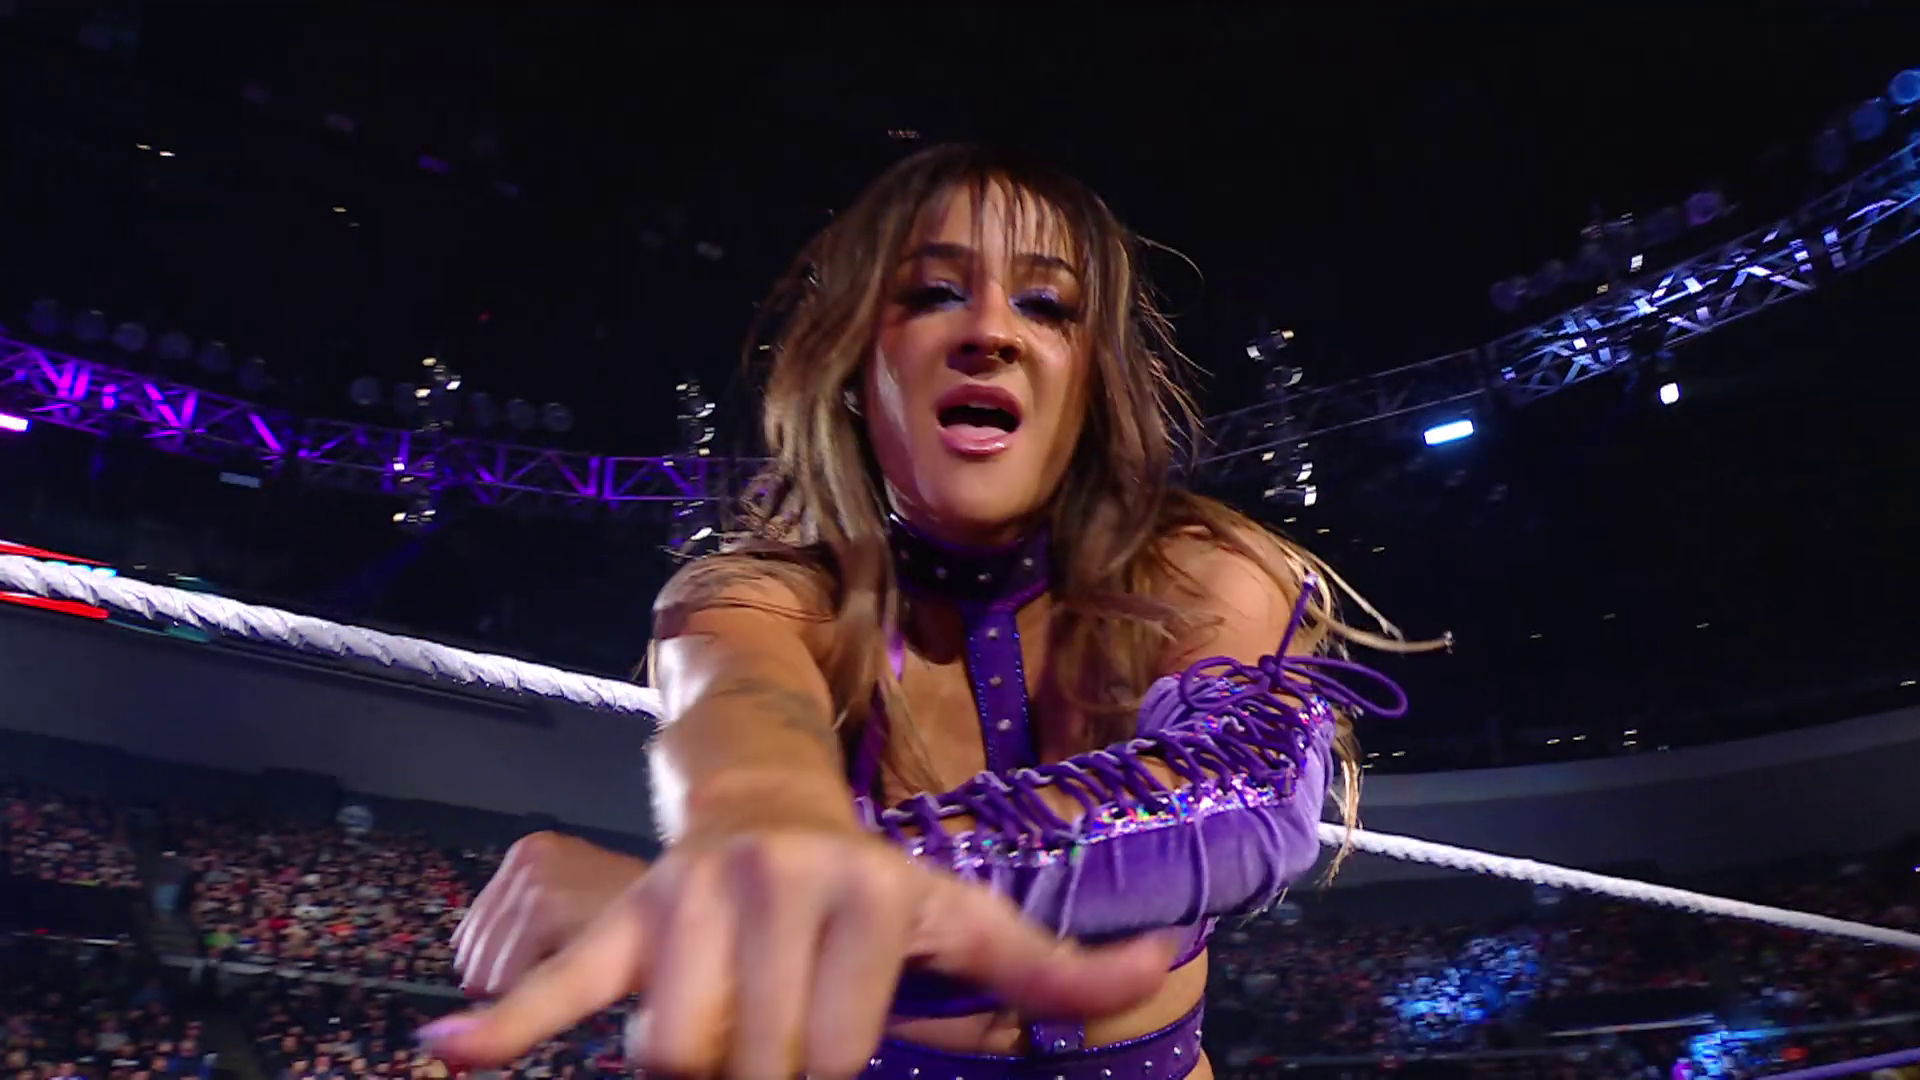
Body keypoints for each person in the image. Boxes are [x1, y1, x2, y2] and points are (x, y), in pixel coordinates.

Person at [429, 145, 1442, 1080]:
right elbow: (743, 738)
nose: (991, 332)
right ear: (855, 367)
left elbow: (1252, 795)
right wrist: (761, 845)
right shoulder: (754, 603)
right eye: (931, 293)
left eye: (1047, 305)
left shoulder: (1208, 574)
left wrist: (841, 883)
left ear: (1092, 379)